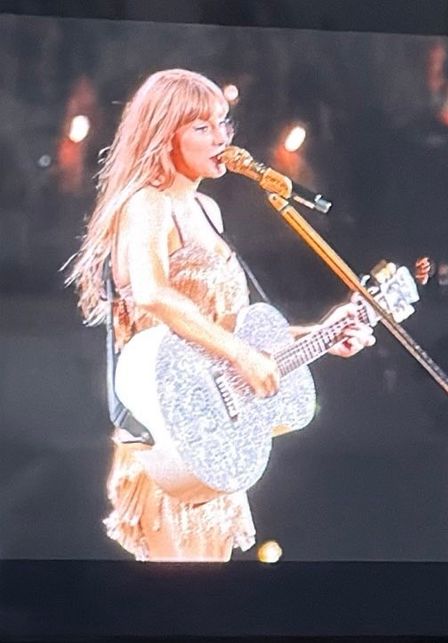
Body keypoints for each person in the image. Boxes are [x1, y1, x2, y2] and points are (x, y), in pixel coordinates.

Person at [65, 69, 375, 561]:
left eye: (223, 124)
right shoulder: (146, 204)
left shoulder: (209, 210)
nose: (221, 139)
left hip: (214, 439)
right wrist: (240, 355)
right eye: (201, 127)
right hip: (167, 436)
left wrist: (321, 333)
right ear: (165, 134)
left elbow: (226, 329)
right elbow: (152, 294)